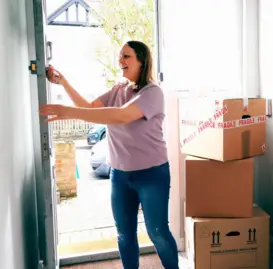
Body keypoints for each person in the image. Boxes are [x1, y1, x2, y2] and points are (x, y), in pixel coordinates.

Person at [41, 41, 179, 269]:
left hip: (152, 174)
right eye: (120, 56)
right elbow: (89, 107)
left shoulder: (153, 93)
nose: (120, 61)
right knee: (124, 234)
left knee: (158, 233)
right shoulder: (118, 89)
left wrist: (69, 112)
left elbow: (121, 116)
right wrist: (63, 83)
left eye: (126, 56)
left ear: (141, 60)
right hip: (120, 175)